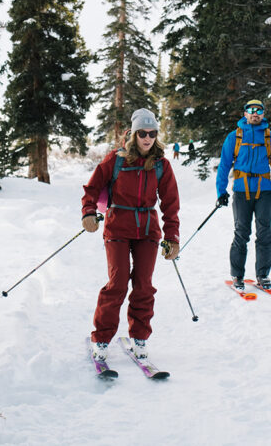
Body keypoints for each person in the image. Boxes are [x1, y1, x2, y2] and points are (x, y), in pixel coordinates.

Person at [81, 108, 180, 362]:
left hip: (148, 230)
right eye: (143, 133)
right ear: (134, 134)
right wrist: (88, 212)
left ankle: (140, 337)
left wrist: (172, 237)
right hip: (117, 228)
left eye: (152, 133)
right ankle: (101, 339)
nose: (147, 138)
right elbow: (92, 188)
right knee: (118, 283)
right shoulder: (116, 159)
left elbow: (170, 204)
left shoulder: (161, 165)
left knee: (144, 285)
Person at [215, 99, 271, 291]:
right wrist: (221, 191)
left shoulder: (270, 138)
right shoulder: (234, 137)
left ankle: (262, 275)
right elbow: (224, 166)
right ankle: (237, 275)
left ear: (263, 114)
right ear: (245, 113)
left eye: (259, 110)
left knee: (265, 233)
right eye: (251, 110)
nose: (255, 113)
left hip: (264, 190)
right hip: (241, 190)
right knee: (242, 233)